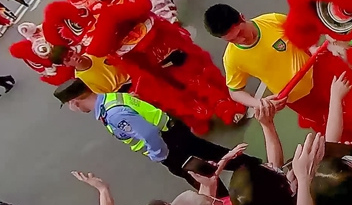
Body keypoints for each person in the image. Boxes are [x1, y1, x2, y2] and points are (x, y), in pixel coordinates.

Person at [53, 79, 245, 189]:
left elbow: (149, 133)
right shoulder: (110, 98)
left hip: (169, 144)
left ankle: (229, 204)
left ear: (75, 101)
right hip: (173, 129)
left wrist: (159, 155)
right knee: (214, 153)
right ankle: (254, 166)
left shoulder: (112, 113)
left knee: (201, 177)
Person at [204, 4, 337, 139]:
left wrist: (312, 47)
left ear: (242, 17)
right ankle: (349, 140)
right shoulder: (231, 59)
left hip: (319, 73)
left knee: (343, 100)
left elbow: (301, 33)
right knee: (325, 118)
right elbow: (235, 92)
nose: (241, 40)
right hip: (298, 99)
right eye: (232, 40)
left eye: (240, 33)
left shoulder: (273, 20)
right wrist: (259, 103)